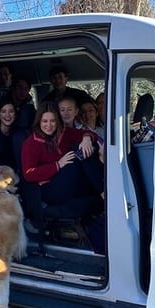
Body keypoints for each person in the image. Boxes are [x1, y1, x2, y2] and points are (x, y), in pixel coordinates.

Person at [20, 101, 103, 236]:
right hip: (48, 188)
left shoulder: (64, 133)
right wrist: (57, 165)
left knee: (85, 148)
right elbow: (29, 174)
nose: (49, 125)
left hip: (68, 182)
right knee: (74, 158)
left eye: (53, 121)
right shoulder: (31, 143)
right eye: (45, 121)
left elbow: (87, 133)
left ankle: (102, 195)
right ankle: (103, 192)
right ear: (39, 122)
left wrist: (87, 138)